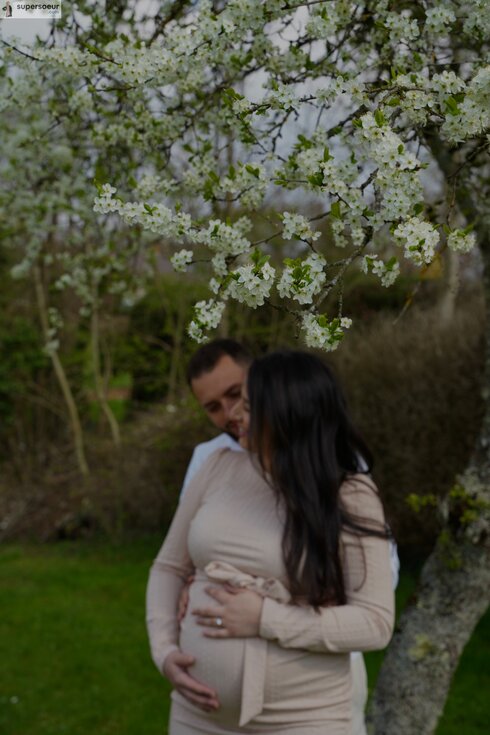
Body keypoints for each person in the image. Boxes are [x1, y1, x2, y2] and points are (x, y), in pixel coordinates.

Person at [146, 349, 395, 734]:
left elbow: (374, 622)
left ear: (285, 414)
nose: (233, 415)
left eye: (245, 405)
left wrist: (265, 618)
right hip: (197, 716)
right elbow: (168, 567)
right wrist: (164, 650)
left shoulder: (348, 493)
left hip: (303, 716)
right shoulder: (216, 466)